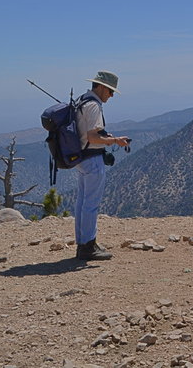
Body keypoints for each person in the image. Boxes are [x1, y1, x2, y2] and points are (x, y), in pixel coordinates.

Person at [74, 70, 131, 261]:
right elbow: (92, 136)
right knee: (91, 205)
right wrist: (115, 141)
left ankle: (83, 244)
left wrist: (112, 139)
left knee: (82, 203)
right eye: (110, 91)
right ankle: (88, 247)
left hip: (81, 158)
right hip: (92, 159)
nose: (112, 95)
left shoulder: (82, 101)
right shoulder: (94, 106)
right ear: (101, 87)